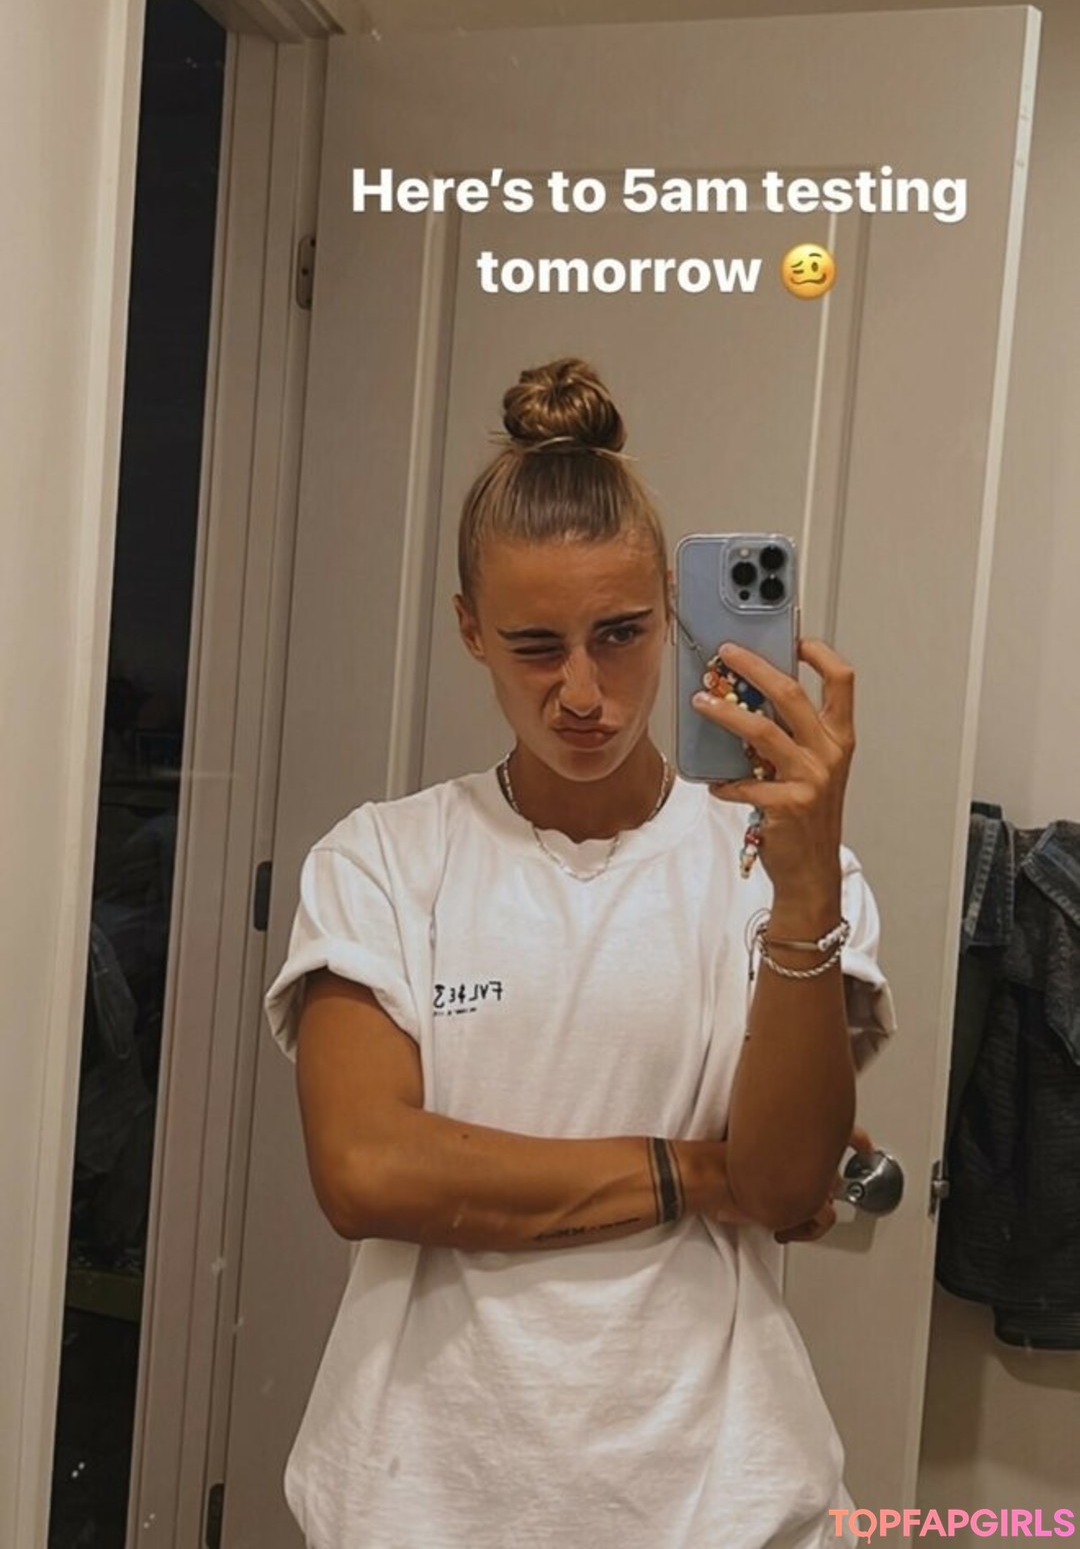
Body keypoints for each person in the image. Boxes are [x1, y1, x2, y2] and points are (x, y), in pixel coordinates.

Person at [264, 356, 895, 1549]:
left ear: (675, 613)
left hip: (721, 1500)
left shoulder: (773, 871)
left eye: (621, 633)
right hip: (421, 1499)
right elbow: (366, 1171)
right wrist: (694, 1172)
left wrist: (805, 885)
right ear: (470, 629)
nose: (585, 692)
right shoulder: (386, 860)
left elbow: (780, 1185)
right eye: (535, 645)